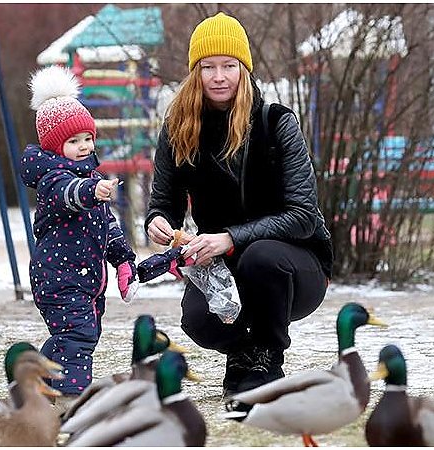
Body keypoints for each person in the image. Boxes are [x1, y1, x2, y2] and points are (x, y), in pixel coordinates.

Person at [145, 12, 334, 398]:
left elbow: (302, 216)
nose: (219, 76)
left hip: (295, 268)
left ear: (243, 69)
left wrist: (230, 238)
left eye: (229, 66)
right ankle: (244, 355)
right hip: (223, 266)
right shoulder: (179, 128)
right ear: (195, 73)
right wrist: (158, 220)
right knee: (196, 319)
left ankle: (268, 355)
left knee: (260, 256)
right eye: (208, 67)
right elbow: (164, 200)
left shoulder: (276, 123)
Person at [21, 65, 138, 404]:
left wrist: (123, 259)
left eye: (88, 138)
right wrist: (91, 191)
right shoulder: (52, 179)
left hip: (86, 278)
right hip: (58, 277)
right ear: (56, 147)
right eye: (74, 141)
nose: (84, 146)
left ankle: (37, 385)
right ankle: (70, 398)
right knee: (78, 334)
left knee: (76, 337)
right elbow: (69, 194)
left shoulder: (90, 175)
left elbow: (106, 226)